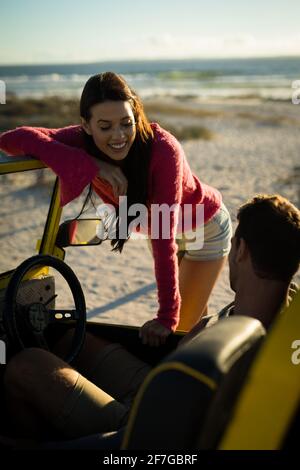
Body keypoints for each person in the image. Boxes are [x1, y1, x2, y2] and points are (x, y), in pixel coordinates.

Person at [3, 194, 300, 441]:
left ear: (242, 250)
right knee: (70, 339)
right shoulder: (280, 311)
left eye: (234, 242)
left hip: (147, 425)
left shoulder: (253, 335)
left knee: (25, 364)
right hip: (157, 382)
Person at [0, 72, 232, 345]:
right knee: (193, 323)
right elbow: (14, 139)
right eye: (105, 126)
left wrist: (165, 317)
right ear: (86, 125)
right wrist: (90, 163)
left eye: (126, 123)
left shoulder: (163, 151)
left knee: (180, 329)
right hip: (159, 228)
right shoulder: (81, 140)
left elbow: (162, 237)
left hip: (203, 227)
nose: (119, 135)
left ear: (135, 115)